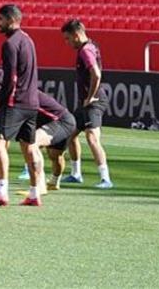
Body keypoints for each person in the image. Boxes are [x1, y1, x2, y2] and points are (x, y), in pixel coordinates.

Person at [0, 4, 41, 208]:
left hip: (16, 102)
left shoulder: (10, 44)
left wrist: (1, 99)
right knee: (29, 148)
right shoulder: (28, 40)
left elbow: (11, 77)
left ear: (11, 20)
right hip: (32, 102)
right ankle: (34, 193)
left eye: (1, 19)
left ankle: (1, 191)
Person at [60, 19, 114, 189]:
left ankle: (106, 179)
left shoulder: (85, 50)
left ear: (76, 35)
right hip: (86, 102)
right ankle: (76, 174)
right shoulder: (91, 45)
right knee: (70, 134)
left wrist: (90, 97)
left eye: (67, 38)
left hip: (94, 101)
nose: (66, 42)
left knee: (92, 137)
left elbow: (96, 74)